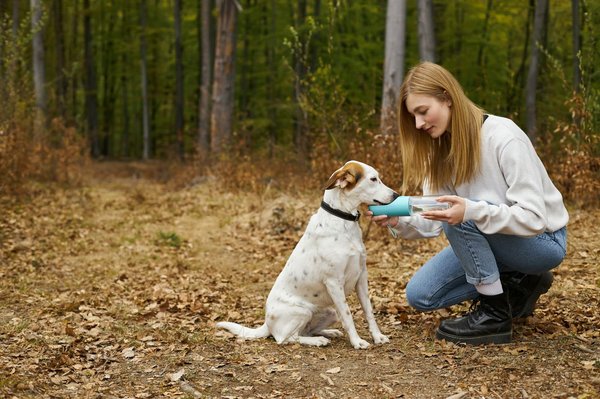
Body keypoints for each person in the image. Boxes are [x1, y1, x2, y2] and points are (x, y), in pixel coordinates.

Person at [368, 62, 568, 345]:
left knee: (463, 215)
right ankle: (521, 282)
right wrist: (399, 220)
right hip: (495, 238)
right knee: (422, 295)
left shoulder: (504, 136)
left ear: (447, 98)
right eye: (413, 116)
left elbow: (534, 217)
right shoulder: (437, 152)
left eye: (423, 112)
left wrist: (471, 210)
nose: (419, 124)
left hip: (541, 241)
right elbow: (436, 216)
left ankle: (494, 315)